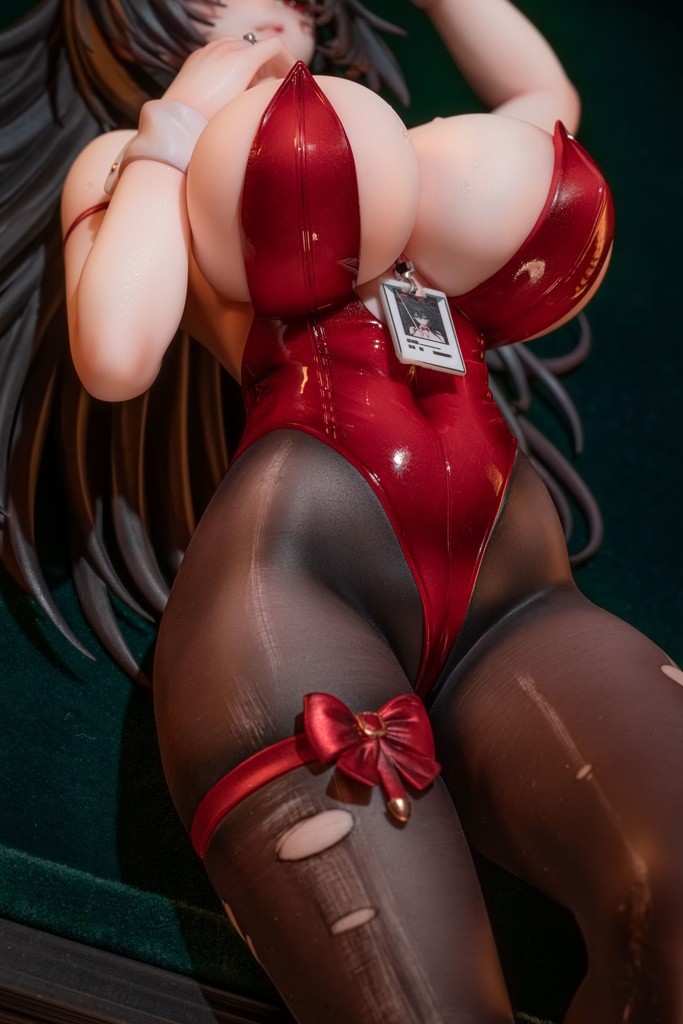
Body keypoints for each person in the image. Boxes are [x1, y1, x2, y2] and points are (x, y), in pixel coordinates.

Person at [3, 1, 682, 1021]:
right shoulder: (144, 164)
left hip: (518, 600)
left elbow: (545, 100)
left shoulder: (416, 152)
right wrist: (178, 120)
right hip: (296, 590)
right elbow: (116, 351)